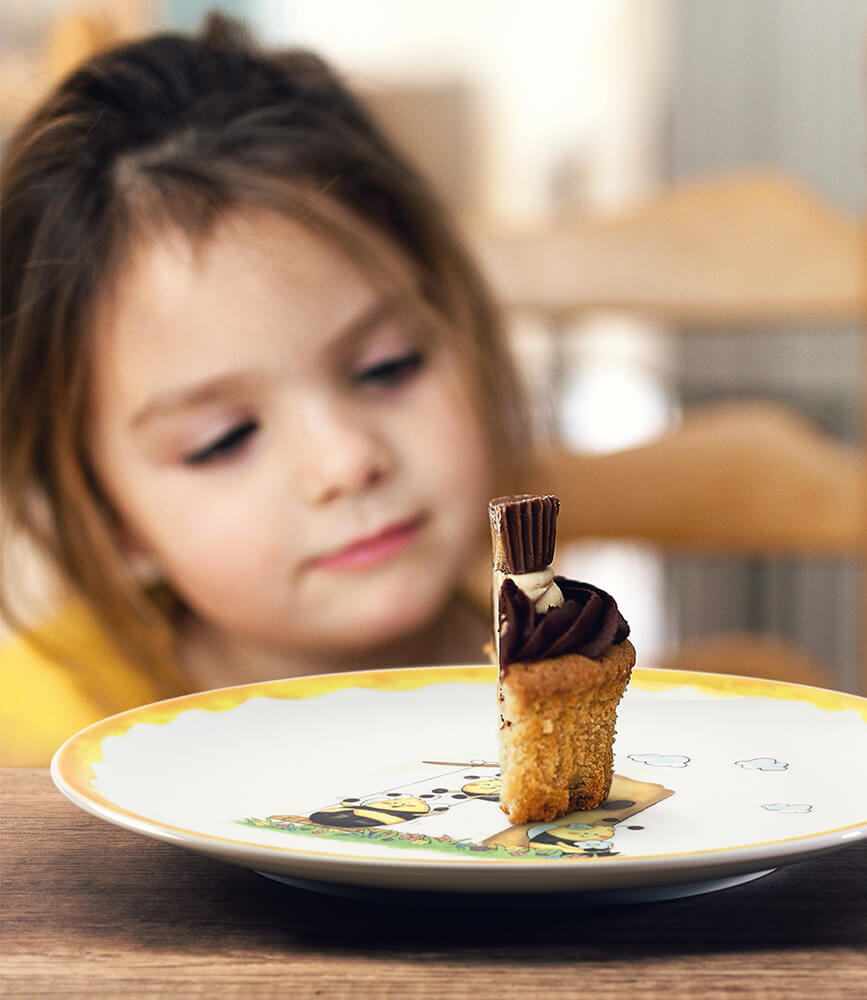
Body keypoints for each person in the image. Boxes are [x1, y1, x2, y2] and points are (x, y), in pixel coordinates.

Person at [0, 14, 531, 766]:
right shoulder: (31, 754)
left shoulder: (557, 674)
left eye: (389, 366)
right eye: (224, 439)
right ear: (108, 518)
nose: (346, 461)